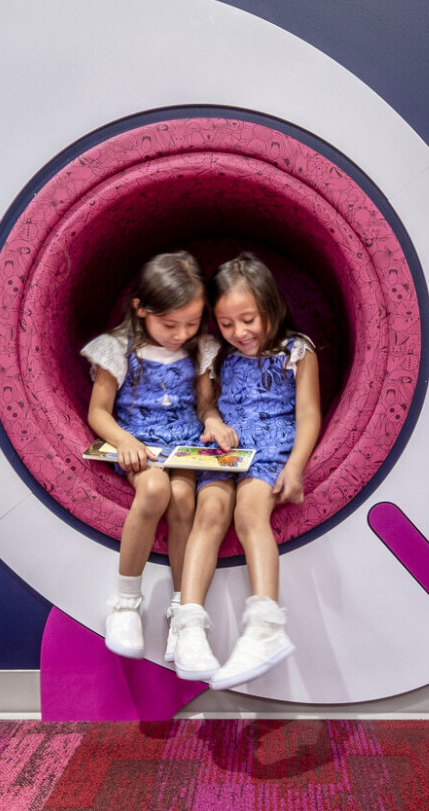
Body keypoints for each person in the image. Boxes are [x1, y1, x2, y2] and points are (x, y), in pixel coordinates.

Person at [179, 252, 325, 690]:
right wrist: (213, 422)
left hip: (272, 445)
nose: (240, 332)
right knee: (208, 511)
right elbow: (205, 402)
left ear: (270, 308)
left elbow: (309, 414)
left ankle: (265, 626)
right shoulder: (215, 354)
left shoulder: (296, 350)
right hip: (226, 449)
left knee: (248, 513)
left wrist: (296, 466)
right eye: (227, 324)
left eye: (249, 319)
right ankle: (188, 628)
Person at [83, 251, 207, 659]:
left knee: (185, 497)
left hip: (185, 442)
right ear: (140, 308)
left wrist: (214, 421)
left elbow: (205, 404)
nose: (180, 334)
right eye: (170, 324)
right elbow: (98, 412)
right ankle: (125, 603)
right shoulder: (117, 347)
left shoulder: (198, 347)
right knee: (154, 489)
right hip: (138, 441)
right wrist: (124, 441)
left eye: (191, 324)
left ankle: (182, 611)